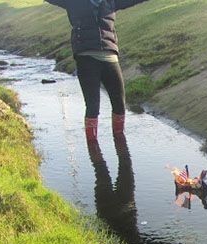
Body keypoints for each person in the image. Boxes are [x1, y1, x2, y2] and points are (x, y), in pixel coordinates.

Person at [44, 0, 150, 141]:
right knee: (93, 106)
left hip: (110, 56)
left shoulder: (111, 1)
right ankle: (94, 153)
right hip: (86, 57)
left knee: (119, 103)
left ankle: (120, 143)